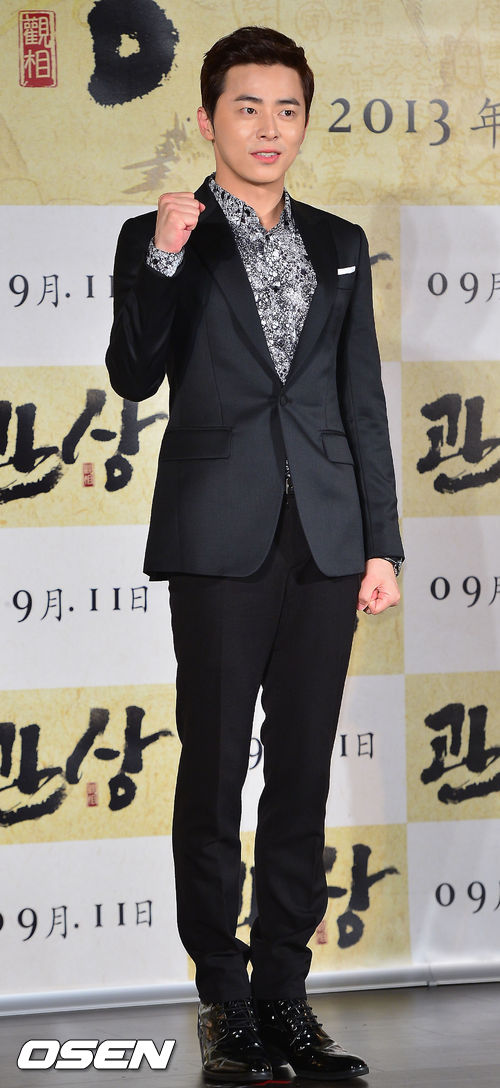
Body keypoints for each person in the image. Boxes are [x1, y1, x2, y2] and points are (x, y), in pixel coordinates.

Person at [106, 25, 403, 1083]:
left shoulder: (338, 241)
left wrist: (381, 542)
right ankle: (225, 1003)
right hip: (217, 533)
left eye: (286, 109)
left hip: (326, 536)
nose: (267, 128)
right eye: (246, 107)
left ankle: (285, 995)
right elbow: (134, 374)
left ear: (303, 121)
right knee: (215, 767)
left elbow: (359, 402)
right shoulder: (163, 232)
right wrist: (163, 256)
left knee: (303, 770)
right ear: (207, 120)